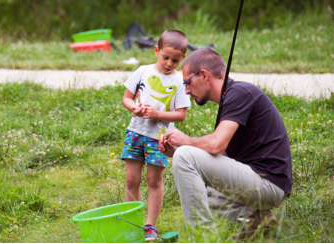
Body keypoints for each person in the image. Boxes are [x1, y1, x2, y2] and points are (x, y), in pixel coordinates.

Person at [159, 49, 292, 241]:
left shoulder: (239, 93)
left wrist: (186, 143)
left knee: (186, 157)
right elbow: (221, 155)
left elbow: (215, 144)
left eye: (187, 82)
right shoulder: (230, 99)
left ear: (204, 75)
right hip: (258, 181)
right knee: (197, 184)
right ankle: (259, 220)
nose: (186, 90)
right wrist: (176, 152)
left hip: (269, 183)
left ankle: (203, 239)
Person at [121, 29, 191, 241]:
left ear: (183, 59)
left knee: (154, 181)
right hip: (135, 133)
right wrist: (134, 108)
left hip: (159, 138)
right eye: (165, 57)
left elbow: (181, 115)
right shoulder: (142, 71)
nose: (169, 63)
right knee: (132, 178)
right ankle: (131, 222)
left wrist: (158, 114)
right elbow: (127, 98)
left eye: (175, 60)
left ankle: (150, 224)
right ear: (156, 50)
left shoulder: (180, 81)